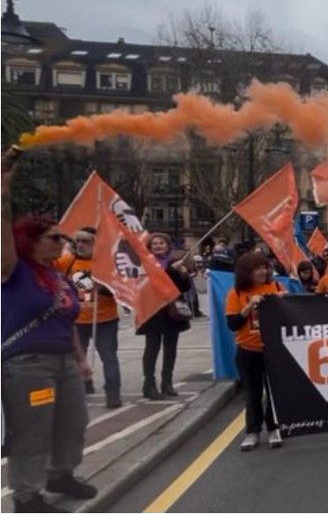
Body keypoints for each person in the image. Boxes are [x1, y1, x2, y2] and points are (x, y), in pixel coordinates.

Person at [2, 152, 98, 513]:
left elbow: (66, 321)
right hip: (28, 366)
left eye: (63, 237)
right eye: (54, 237)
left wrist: (79, 361)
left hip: (63, 361)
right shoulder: (13, 270)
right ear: (30, 240)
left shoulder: (58, 277)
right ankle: (26, 495)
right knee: (33, 429)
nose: (63, 242)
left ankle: (61, 474)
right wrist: (4, 186)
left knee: (74, 423)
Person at [225, 251, 286, 451]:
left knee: (274, 393)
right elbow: (232, 324)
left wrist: (284, 302)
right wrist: (249, 307)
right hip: (248, 350)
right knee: (252, 393)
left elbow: (289, 318)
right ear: (246, 272)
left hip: (273, 350)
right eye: (256, 269)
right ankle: (252, 431)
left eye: (264, 267)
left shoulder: (276, 286)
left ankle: (273, 428)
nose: (262, 272)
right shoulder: (236, 293)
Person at [57, 227, 122, 409]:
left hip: (105, 320)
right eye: (78, 241)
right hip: (76, 321)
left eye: (86, 241)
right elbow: (46, 267)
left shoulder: (106, 264)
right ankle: (82, 388)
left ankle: (113, 393)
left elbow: (122, 290)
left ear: (96, 244)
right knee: (77, 359)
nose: (80, 245)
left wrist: (105, 288)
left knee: (109, 358)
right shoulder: (67, 261)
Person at [137, 232, 191, 400]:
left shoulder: (175, 262)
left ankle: (167, 382)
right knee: (152, 348)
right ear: (150, 247)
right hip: (152, 310)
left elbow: (184, 287)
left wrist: (183, 274)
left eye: (162, 243)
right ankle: (149, 384)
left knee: (170, 349)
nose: (158, 245)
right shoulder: (145, 264)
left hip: (170, 311)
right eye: (155, 243)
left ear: (168, 246)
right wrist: (170, 271)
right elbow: (154, 281)